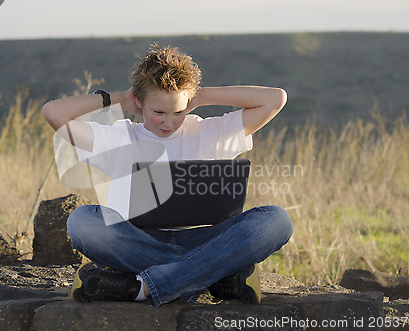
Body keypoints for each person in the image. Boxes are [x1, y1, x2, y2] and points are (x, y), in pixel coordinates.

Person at [42, 44, 293, 307]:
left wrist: (201, 95)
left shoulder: (210, 132)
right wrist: (119, 99)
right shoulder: (118, 136)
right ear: (139, 103)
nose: (168, 122)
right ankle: (213, 277)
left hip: (204, 238)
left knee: (276, 221)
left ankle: (142, 287)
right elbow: (53, 112)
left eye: (179, 111)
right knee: (83, 222)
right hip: (136, 240)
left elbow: (276, 99)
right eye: (158, 112)